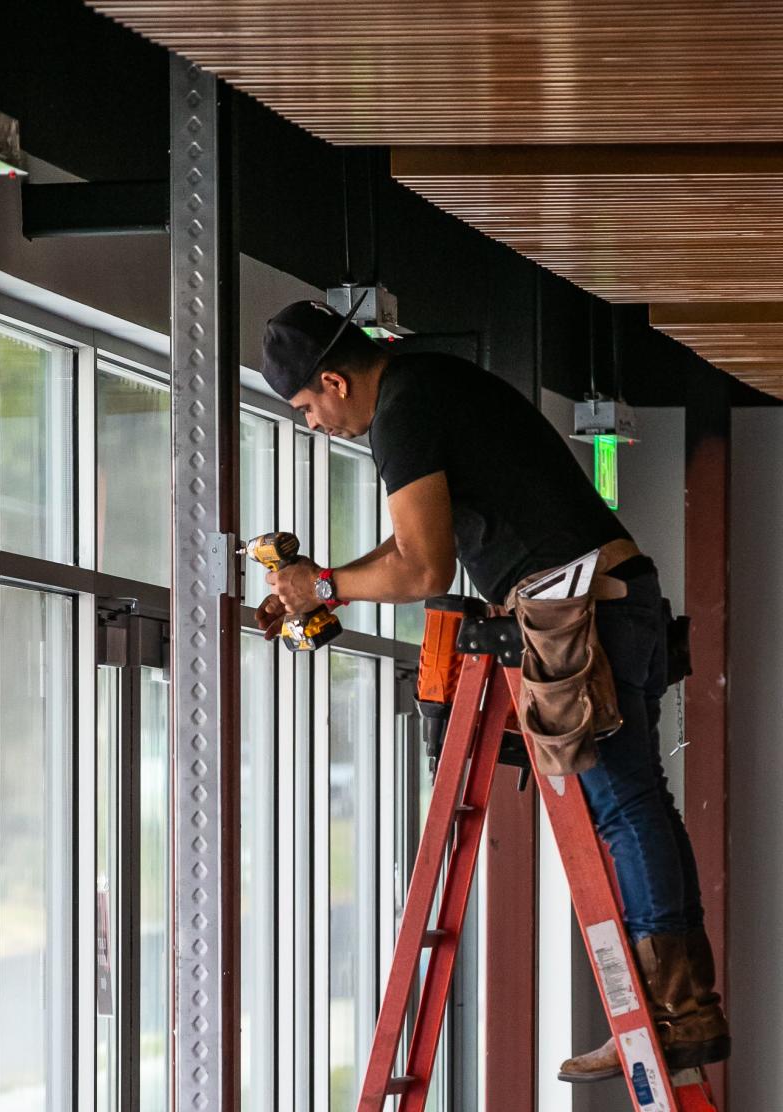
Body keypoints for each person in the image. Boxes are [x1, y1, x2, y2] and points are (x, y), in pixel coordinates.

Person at [254, 299, 730, 1084]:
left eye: (308, 408)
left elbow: (423, 567)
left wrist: (327, 584)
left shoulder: (403, 413)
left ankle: (675, 1013)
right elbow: (411, 541)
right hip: (618, 598)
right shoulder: (428, 383)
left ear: (333, 381)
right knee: (641, 802)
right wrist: (323, 590)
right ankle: (685, 1005)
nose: (314, 424)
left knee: (620, 807)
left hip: (584, 616)